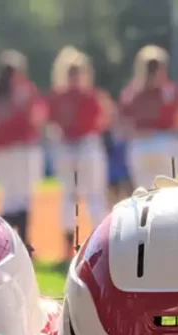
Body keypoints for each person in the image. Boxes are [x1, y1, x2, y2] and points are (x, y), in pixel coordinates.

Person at [46, 46, 114, 260]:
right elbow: (103, 120)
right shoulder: (90, 95)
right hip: (86, 145)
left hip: (65, 146)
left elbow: (49, 124)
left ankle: (68, 249)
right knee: (94, 195)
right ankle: (102, 245)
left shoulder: (56, 96)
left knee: (69, 197)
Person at [0, 50, 46, 245]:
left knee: (10, 196)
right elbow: (37, 118)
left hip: (2, 150)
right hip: (21, 149)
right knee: (22, 196)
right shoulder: (24, 92)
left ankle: (7, 240)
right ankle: (21, 240)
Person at [119, 45, 178, 188]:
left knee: (144, 195)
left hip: (139, 144)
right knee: (170, 192)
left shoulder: (131, 91)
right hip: (166, 142)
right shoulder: (169, 90)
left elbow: (123, 124)